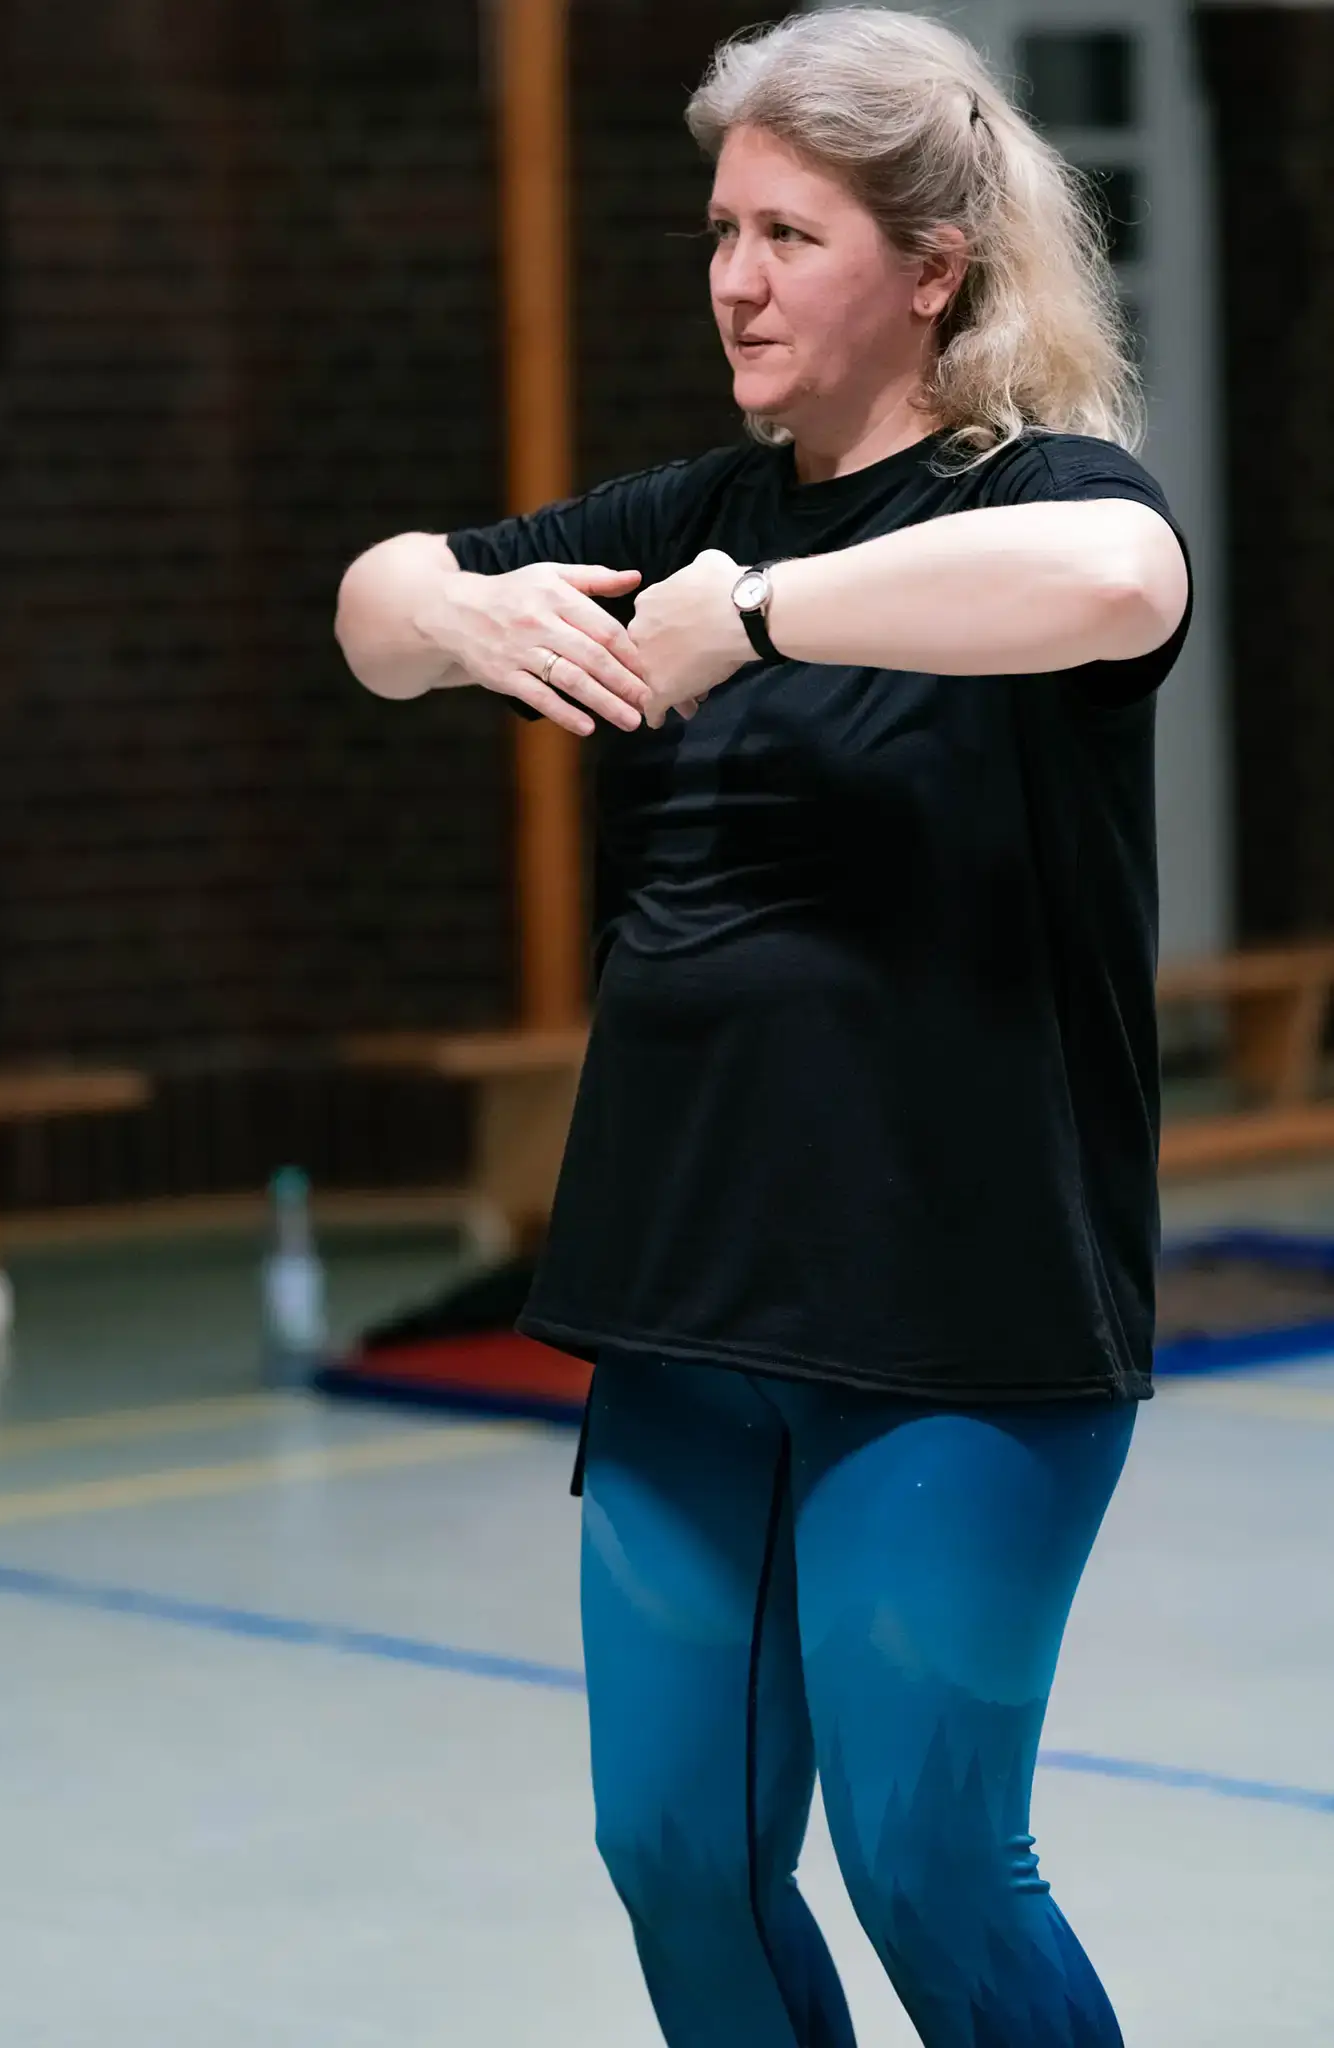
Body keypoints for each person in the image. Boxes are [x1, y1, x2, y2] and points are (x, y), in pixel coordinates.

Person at [335, 9, 1192, 2044]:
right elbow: (375, 606)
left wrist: (760, 613)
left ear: (930, 270)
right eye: (721, 230)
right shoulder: (690, 505)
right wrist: (455, 613)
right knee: (677, 1850)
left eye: (789, 235)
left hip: (957, 1320)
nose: (732, 277)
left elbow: (1119, 578)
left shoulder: (1035, 496)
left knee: (924, 1862)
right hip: (682, 1295)